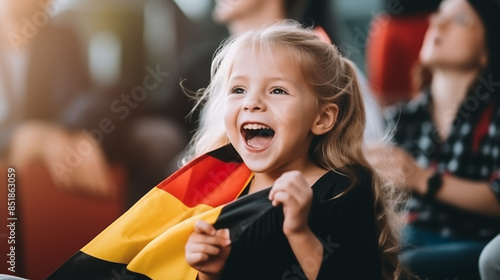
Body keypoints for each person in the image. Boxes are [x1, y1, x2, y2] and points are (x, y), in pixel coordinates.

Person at [47, 22, 409, 280]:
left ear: (323, 117)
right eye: (238, 90)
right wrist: (208, 271)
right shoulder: (217, 184)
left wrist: (299, 230)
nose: (252, 104)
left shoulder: (343, 187)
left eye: (277, 91)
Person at [367, 0, 500, 279]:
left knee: (402, 262)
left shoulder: (493, 117)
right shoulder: (399, 118)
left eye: (461, 20)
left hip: (473, 242)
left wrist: (420, 178)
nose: (437, 23)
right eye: (439, 15)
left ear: (486, 52)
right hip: (408, 235)